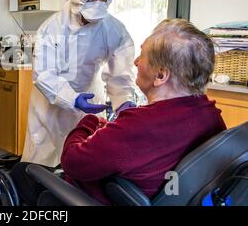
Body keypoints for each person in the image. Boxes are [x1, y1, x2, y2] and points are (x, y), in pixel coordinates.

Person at [11, 19, 226, 205]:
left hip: (93, 196)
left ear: (161, 75)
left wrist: (88, 121)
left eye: (142, 55)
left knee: (22, 172)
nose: (135, 62)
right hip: (147, 192)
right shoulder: (209, 115)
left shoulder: (139, 126)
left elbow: (73, 161)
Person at [21, 0, 137, 167]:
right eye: (86, 18)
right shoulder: (51, 28)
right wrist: (72, 98)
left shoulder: (114, 29)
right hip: (49, 106)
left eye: (96, 19)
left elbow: (120, 71)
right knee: (43, 164)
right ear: (77, 5)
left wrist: (123, 100)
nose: (90, 23)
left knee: (83, 165)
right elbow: (43, 75)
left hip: (89, 102)